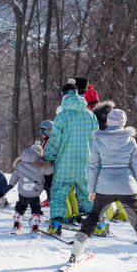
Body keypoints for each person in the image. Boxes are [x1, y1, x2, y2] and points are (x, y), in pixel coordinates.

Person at [68, 109, 137, 270]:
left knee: (93, 218)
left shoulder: (99, 140)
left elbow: (92, 167)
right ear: (123, 122)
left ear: (108, 121)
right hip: (126, 185)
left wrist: (91, 189)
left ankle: (75, 253)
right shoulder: (130, 140)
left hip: (104, 185)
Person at [44, 78, 98, 235]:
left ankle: (56, 225)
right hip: (84, 163)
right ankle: (100, 224)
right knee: (87, 196)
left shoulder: (62, 117)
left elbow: (54, 141)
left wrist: (48, 155)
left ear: (63, 96)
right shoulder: (90, 116)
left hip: (65, 165)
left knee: (58, 194)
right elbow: (96, 140)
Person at [8, 141, 54, 234]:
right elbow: (51, 170)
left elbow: (15, 176)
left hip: (22, 191)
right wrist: (49, 162)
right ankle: (35, 225)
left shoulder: (20, 163)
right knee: (35, 207)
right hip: (34, 192)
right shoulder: (41, 165)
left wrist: (10, 185)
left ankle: (16, 223)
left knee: (21, 206)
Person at [39, 120, 55, 205]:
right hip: (46, 165)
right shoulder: (45, 140)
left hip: (51, 166)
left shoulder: (52, 141)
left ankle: (51, 199)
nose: (41, 134)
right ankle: (49, 198)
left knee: (49, 184)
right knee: (45, 183)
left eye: (43, 131)